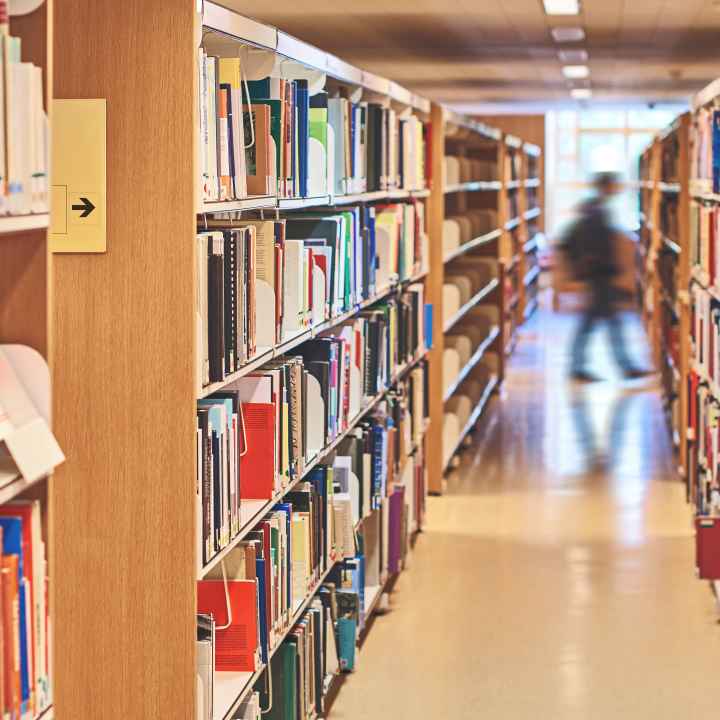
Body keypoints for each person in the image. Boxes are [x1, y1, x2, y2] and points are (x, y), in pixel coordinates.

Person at [563, 171, 652, 382]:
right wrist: (593, 266)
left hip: (599, 274)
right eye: (614, 185)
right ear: (606, 187)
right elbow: (587, 243)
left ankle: (583, 367)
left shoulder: (596, 209)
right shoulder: (595, 212)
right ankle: (620, 367)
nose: (617, 190)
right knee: (605, 323)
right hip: (599, 275)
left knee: (596, 323)